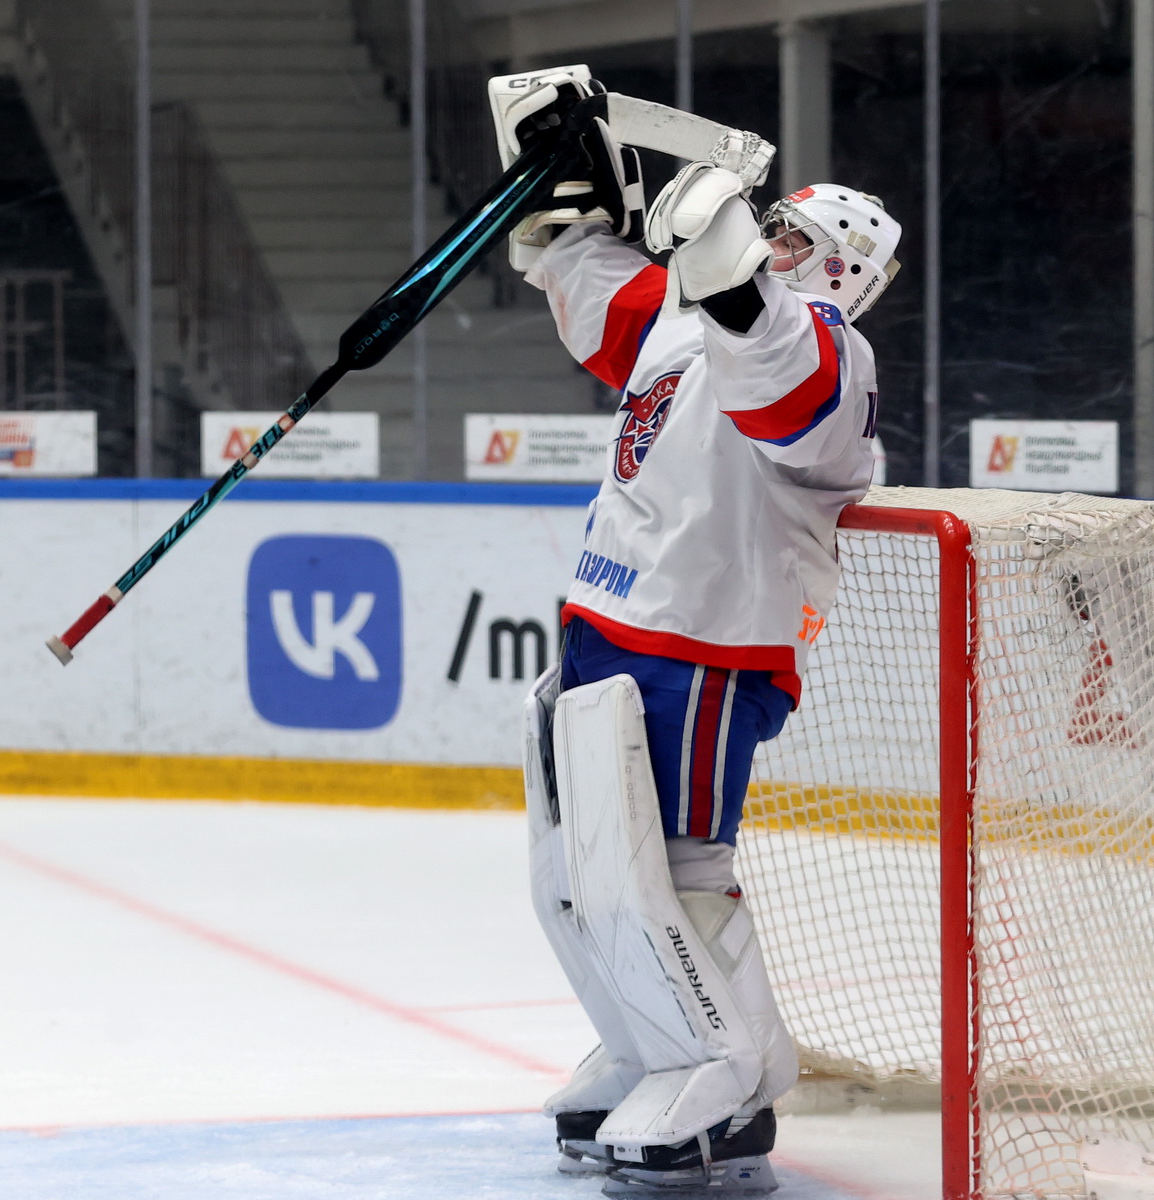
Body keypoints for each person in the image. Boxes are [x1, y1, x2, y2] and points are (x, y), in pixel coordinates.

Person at [498, 68, 902, 1196]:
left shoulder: (829, 348)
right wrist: (563, 195)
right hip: (607, 616)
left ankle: (726, 1078)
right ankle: (647, 1043)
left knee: (673, 867)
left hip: (706, 640)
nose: (772, 239)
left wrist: (726, 261)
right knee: (580, 868)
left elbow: (777, 380)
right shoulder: (689, 318)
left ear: (840, 270)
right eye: (771, 223)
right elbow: (600, 291)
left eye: (796, 236)